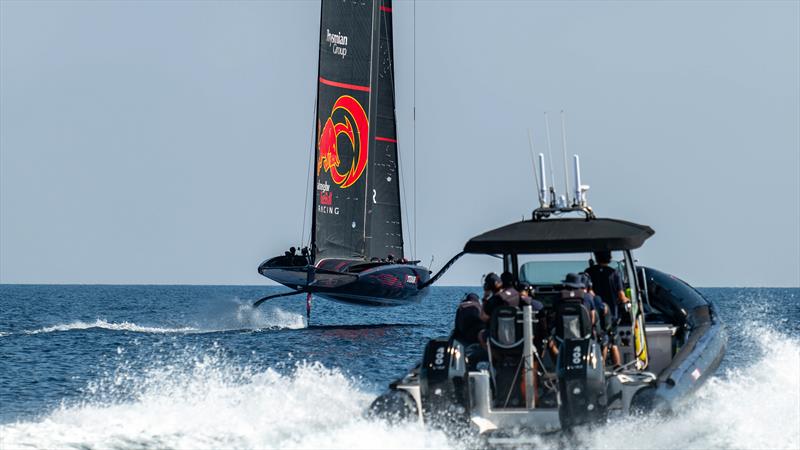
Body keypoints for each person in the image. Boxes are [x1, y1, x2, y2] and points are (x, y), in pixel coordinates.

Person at [584, 251, 629, 367]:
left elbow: (588, 291)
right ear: (609, 258)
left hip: (593, 313)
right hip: (611, 313)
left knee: (598, 338)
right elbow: (621, 296)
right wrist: (628, 301)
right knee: (612, 341)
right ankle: (617, 366)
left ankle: (599, 366)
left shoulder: (589, 272)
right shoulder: (614, 273)